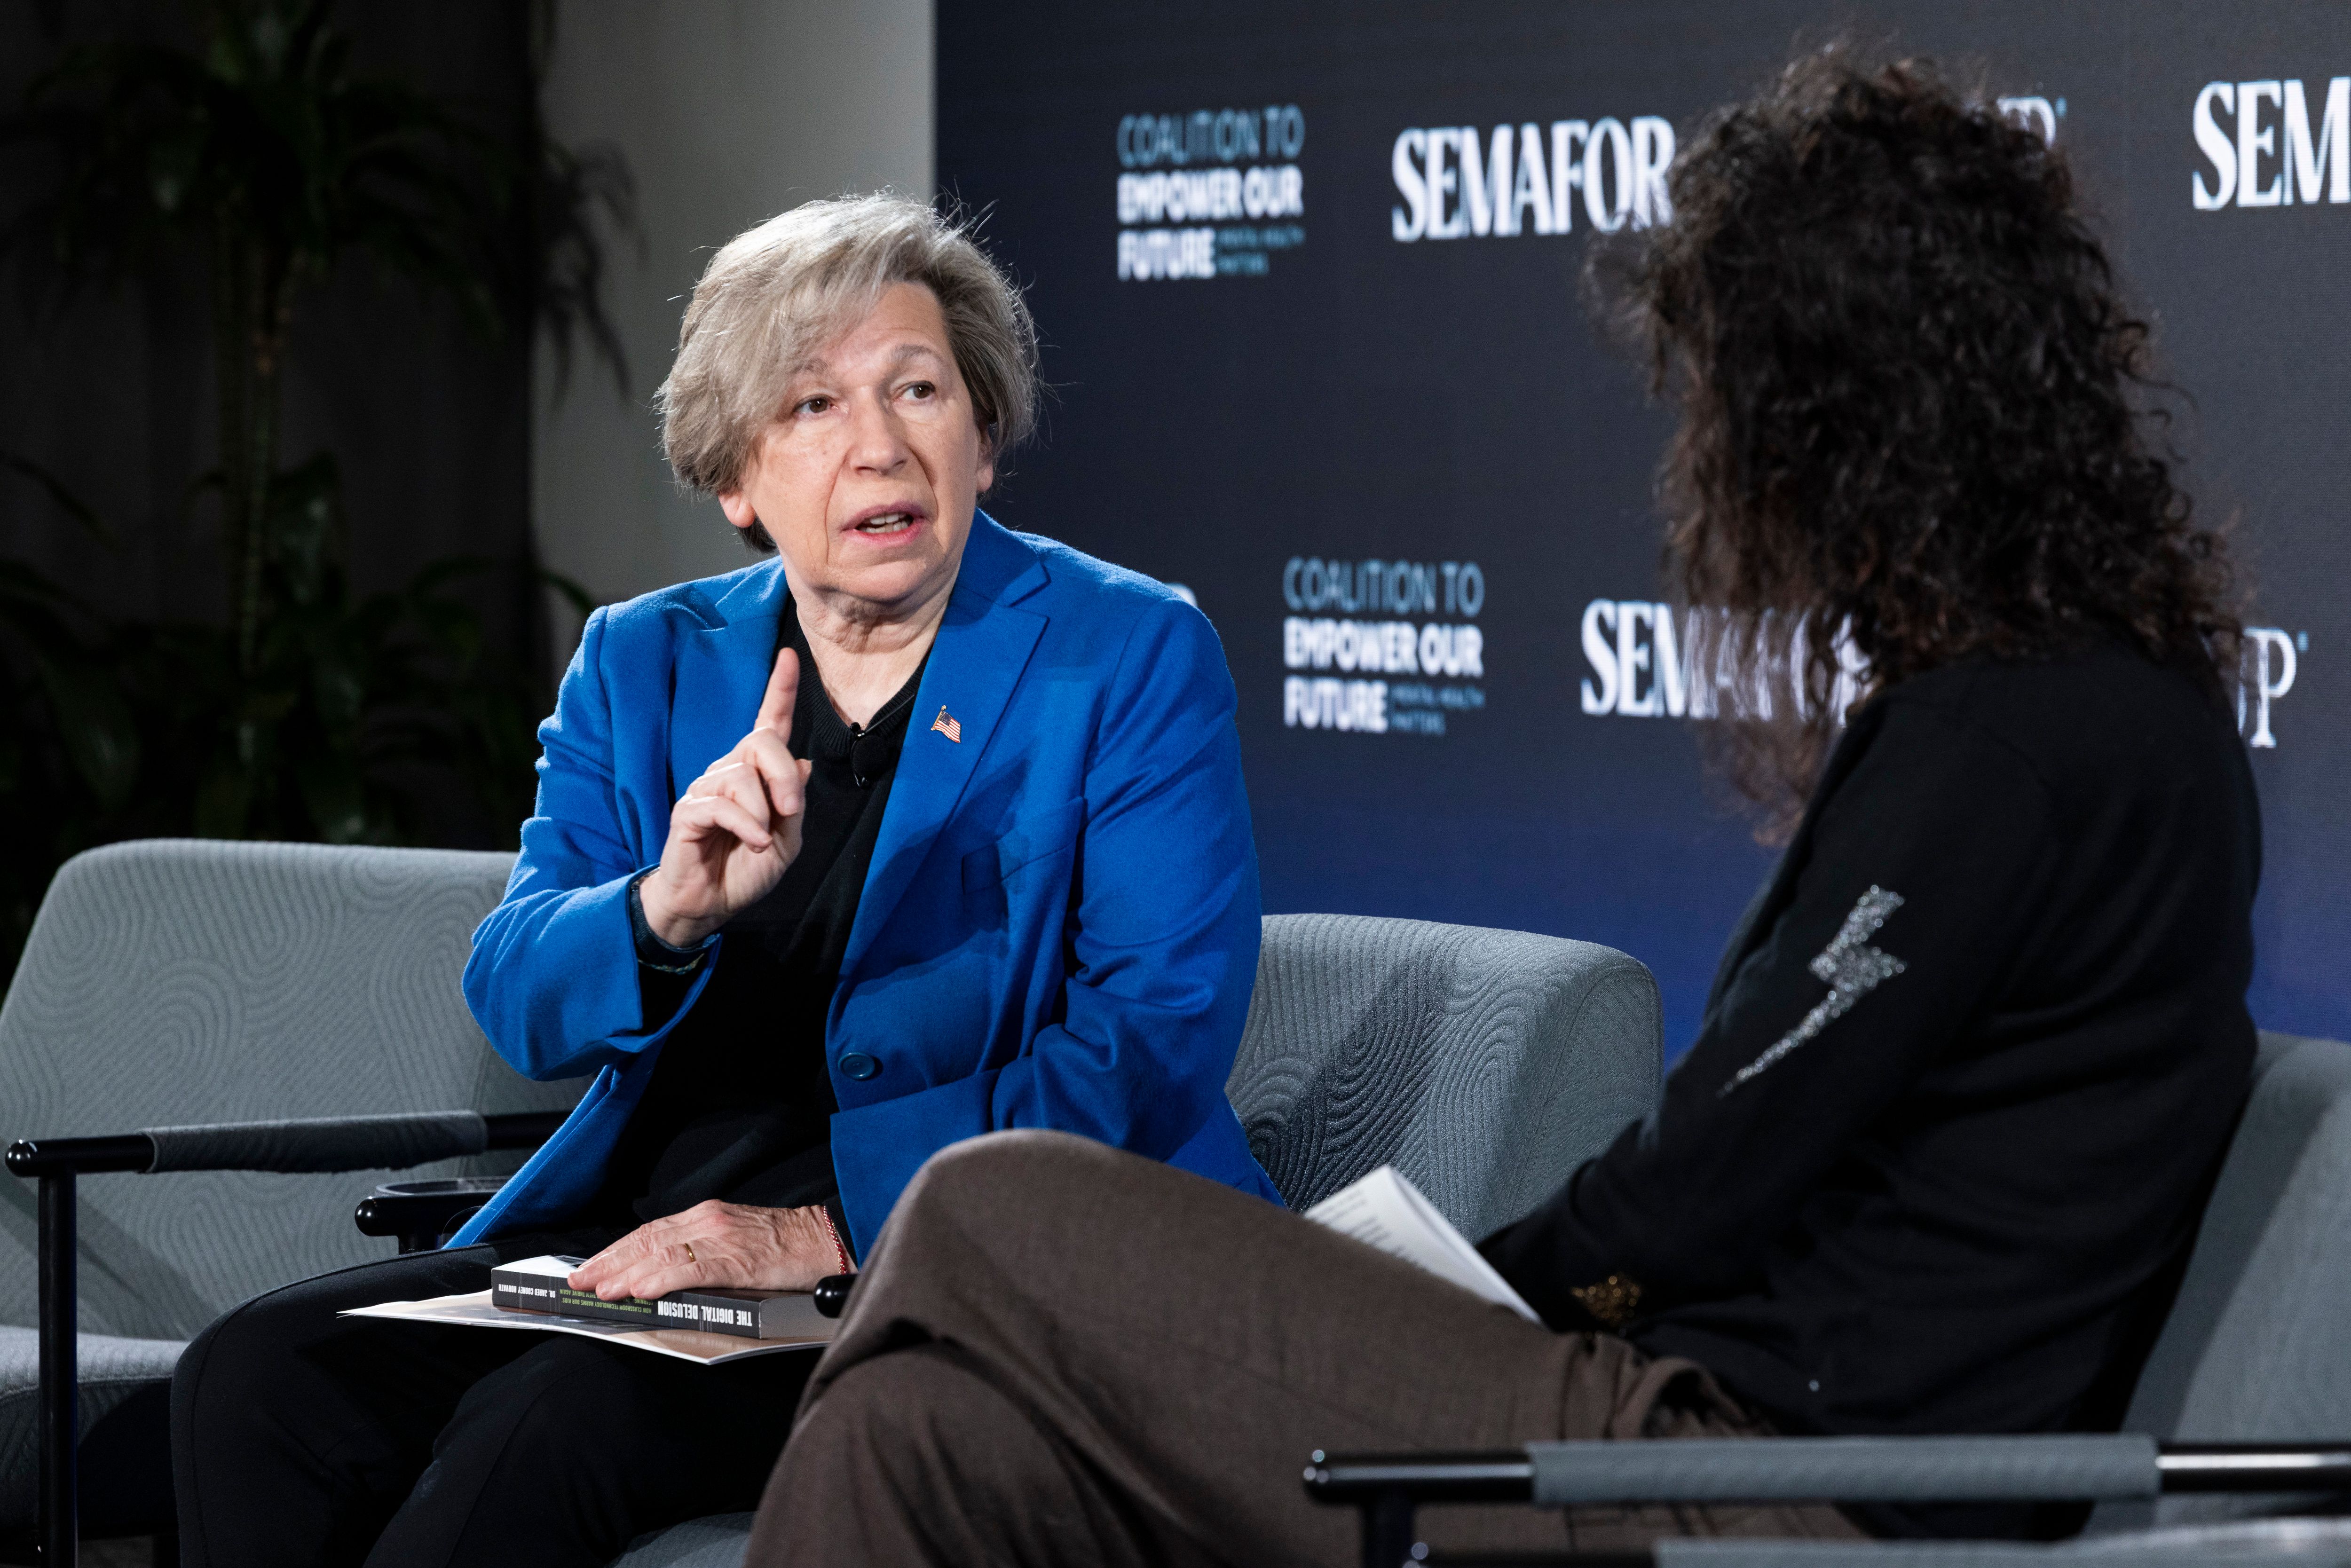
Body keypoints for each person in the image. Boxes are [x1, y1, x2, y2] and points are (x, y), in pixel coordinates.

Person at [743, 52, 2258, 1566]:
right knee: (921, 1436)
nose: (1712, 458)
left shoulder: (2022, 740)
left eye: (1729, 402)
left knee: (984, 1210)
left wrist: (1434, 1292)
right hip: (1702, 1414)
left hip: (1772, 1472)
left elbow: (1704, 1182)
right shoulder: (2062, 704)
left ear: (1841, 417)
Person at [168, 193, 1280, 1567]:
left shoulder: (1122, 655)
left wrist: (816, 1228)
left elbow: (1152, 1036)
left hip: (938, 1270)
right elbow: (516, 989)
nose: (879, 442)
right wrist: (663, 914)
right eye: (813, 405)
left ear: (982, 438)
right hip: (648, 1248)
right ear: (736, 480)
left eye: (918, 389)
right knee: (253, 1385)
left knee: (549, 1425)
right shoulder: (646, 660)